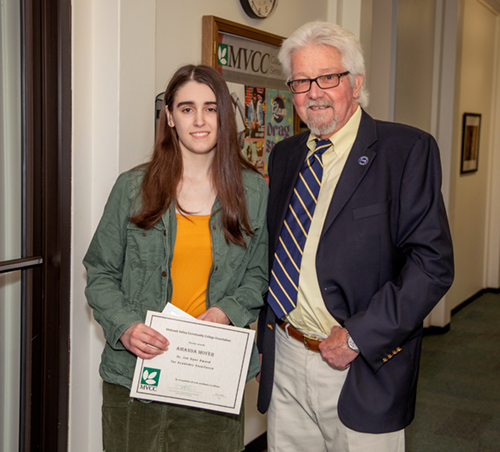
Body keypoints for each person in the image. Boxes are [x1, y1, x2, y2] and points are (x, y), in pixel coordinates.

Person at [257, 21, 454, 452]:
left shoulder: (405, 151)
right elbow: (277, 251)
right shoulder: (287, 154)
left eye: (328, 77)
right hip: (287, 357)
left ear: (356, 82)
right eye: (301, 82)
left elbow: (432, 264)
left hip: (358, 366)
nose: (314, 93)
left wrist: (358, 336)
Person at [84, 64, 268, 452]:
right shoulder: (132, 188)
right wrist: (126, 325)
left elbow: (258, 274)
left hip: (211, 377)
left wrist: (226, 312)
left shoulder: (252, 191)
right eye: (186, 108)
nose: (199, 120)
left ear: (225, 115)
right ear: (169, 116)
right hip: (135, 376)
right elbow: (100, 272)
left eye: (211, 108)